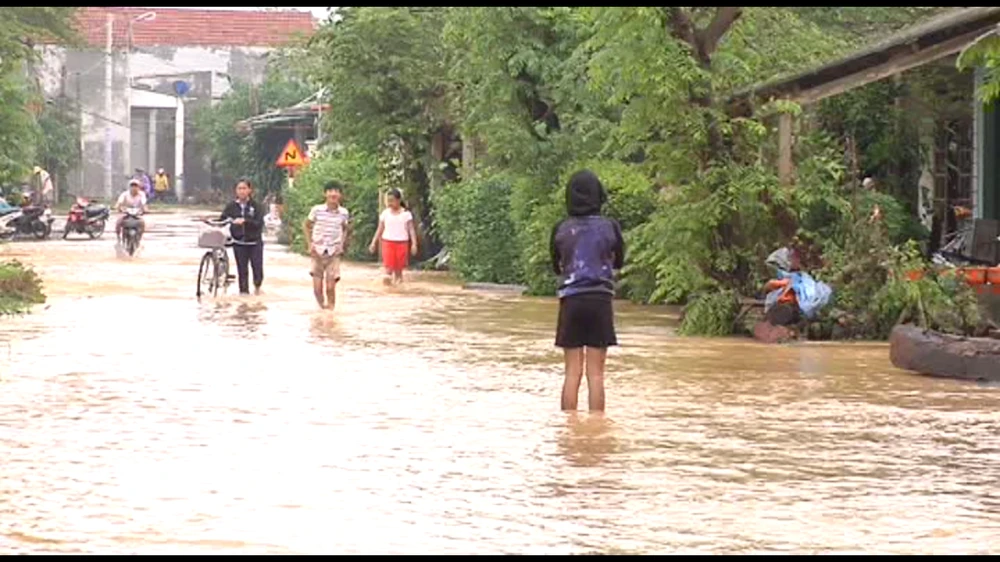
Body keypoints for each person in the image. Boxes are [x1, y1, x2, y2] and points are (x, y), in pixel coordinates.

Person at [550, 170, 625, 412]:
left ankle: (568, 429)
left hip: (571, 302)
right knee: (596, 375)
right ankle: (595, 430)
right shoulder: (610, 227)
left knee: (572, 373)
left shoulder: (561, 229)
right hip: (600, 301)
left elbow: (556, 266)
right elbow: (619, 262)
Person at [303, 181, 352, 310]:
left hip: (333, 252)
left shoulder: (343, 212)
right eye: (330, 191)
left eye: (336, 191)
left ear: (340, 195)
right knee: (317, 289)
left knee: (330, 287)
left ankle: (331, 312)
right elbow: (306, 226)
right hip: (317, 252)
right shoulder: (317, 210)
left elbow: (346, 228)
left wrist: (341, 244)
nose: (333, 194)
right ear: (325, 194)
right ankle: (322, 309)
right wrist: (310, 245)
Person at [220, 178, 266, 296]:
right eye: (239, 189)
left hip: (254, 243)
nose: (242, 191)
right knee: (242, 270)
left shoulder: (256, 206)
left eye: (244, 188)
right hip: (238, 242)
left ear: (250, 190)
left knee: (257, 269)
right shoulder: (231, 206)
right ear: (236, 191)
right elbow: (223, 219)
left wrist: (245, 221)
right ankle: (244, 296)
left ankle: (257, 287)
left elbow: (259, 223)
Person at [368, 188, 417, 285]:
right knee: (388, 270)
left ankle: (398, 290)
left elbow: (411, 230)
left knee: (399, 271)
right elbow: (380, 229)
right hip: (387, 243)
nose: (390, 203)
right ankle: (387, 291)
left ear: (398, 200)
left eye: (392, 200)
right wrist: (373, 243)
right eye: (388, 201)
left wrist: (414, 244)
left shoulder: (406, 214)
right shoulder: (385, 213)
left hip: (402, 243)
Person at [116, 178, 149, 244]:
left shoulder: (141, 194)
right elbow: (119, 203)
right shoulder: (125, 194)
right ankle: (118, 237)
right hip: (126, 212)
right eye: (132, 186)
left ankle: (139, 237)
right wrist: (118, 208)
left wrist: (145, 209)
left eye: (136, 186)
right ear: (129, 187)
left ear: (138, 187)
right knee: (119, 222)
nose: (134, 188)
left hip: (137, 213)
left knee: (142, 223)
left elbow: (144, 204)